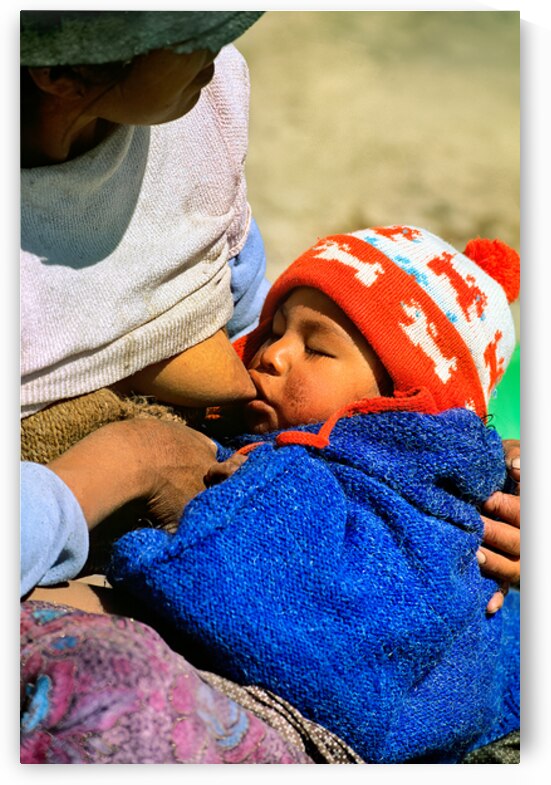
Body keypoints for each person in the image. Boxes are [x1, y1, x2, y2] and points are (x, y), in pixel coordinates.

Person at [107, 225, 520, 763]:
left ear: (400, 403)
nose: (272, 355)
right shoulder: (257, 435)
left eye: (316, 349)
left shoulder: (413, 511)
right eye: (274, 329)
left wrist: (254, 499)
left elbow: (337, 649)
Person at [20, 10, 269, 431]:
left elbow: (248, 291)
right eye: (189, 37)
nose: (218, 48)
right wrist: (137, 465)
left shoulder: (202, 113)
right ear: (63, 71)